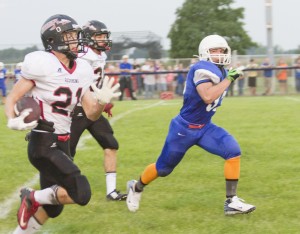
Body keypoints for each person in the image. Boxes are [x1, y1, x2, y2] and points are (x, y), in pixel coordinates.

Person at [5, 14, 120, 234]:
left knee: (53, 207)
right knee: (82, 193)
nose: (76, 40)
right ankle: (31, 196)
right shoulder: (41, 63)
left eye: (75, 35)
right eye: (69, 36)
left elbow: (90, 114)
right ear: (53, 40)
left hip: (63, 141)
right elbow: (12, 98)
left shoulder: (82, 69)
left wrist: (101, 102)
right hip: (43, 140)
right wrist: (12, 119)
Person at [126, 34, 256, 215]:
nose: (219, 54)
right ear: (205, 53)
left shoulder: (223, 71)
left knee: (232, 151)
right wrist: (229, 80)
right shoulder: (201, 68)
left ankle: (231, 202)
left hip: (204, 126)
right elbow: (208, 96)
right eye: (214, 50)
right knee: (163, 169)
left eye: (221, 50)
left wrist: (228, 77)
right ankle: (136, 186)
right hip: (184, 128)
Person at [70, 20, 127, 201]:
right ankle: (54, 190)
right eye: (99, 36)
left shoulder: (98, 55)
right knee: (65, 153)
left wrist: (103, 100)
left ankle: (111, 192)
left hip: (93, 108)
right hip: (78, 109)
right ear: (88, 38)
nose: (103, 40)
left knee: (111, 144)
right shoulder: (81, 56)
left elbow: (96, 80)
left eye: (104, 36)